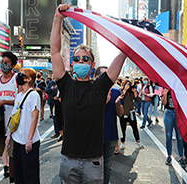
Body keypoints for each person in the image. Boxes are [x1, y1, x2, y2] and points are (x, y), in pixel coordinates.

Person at [50, 3, 127, 183]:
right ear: (72, 64)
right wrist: (57, 19)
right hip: (68, 158)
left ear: (92, 64)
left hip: (94, 160)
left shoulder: (100, 86)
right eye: (77, 59)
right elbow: (55, 51)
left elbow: (122, 55)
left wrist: (130, 37)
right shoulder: (66, 84)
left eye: (86, 59)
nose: (81, 61)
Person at [6, 68, 41, 184]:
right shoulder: (19, 95)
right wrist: (9, 135)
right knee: (19, 173)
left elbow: (35, 118)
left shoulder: (34, 95)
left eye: (22, 75)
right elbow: (14, 118)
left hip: (29, 140)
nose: (19, 77)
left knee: (30, 174)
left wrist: (29, 139)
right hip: (17, 139)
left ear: (29, 79)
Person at [0, 51, 18, 182]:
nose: (3, 65)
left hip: (12, 125)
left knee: (12, 154)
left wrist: (3, 101)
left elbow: (21, 100)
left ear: (13, 64)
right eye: (2, 62)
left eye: (6, 62)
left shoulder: (17, 79)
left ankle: (12, 178)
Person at [95, 66, 124, 184]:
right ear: (97, 77)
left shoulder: (116, 92)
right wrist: (104, 101)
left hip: (111, 135)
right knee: (93, 167)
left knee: (107, 167)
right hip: (94, 136)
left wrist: (117, 104)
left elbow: (121, 114)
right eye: (105, 75)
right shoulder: (91, 91)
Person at [162, 89, 185, 168]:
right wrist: (165, 94)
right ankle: (169, 156)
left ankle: (181, 157)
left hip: (179, 114)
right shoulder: (167, 89)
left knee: (179, 137)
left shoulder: (179, 89)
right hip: (169, 113)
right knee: (168, 136)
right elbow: (164, 103)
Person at [119, 79, 144, 150]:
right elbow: (121, 97)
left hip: (131, 112)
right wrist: (124, 89)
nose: (128, 86)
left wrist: (135, 92)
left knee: (134, 127)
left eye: (129, 84)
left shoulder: (131, 92)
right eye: (127, 84)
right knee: (123, 128)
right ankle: (122, 142)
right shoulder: (121, 90)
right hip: (123, 112)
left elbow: (137, 100)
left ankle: (138, 141)